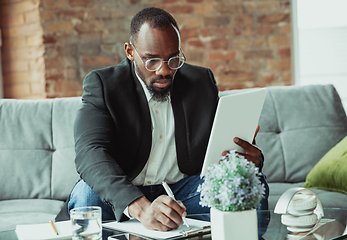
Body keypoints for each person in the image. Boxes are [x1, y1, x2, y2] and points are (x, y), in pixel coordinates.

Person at [56, 7, 269, 232]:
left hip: (184, 196)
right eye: (151, 61)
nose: (164, 70)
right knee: (86, 195)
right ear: (130, 51)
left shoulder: (201, 81)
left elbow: (216, 148)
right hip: (124, 195)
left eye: (173, 59)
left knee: (246, 183)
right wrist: (140, 208)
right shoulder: (103, 85)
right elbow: (90, 153)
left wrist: (247, 160)